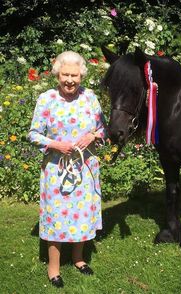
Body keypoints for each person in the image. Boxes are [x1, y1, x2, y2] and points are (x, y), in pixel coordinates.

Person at [28, 51, 106, 288]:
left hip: (85, 167)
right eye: (65, 75)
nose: (70, 80)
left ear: (81, 75)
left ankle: (79, 259)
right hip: (56, 168)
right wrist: (54, 144)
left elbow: (103, 128)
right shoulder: (47, 99)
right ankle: (53, 268)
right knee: (57, 215)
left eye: (74, 75)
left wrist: (92, 135)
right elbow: (33, 134)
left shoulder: (90, 97)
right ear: (57, 75)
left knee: (81, 213)